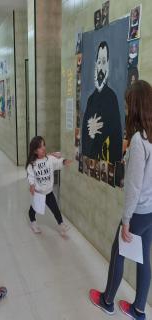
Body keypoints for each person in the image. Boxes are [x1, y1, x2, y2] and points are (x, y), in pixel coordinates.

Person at [89, 80, 152, 320]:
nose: (125, 109)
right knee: (144, 257)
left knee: (118, 253)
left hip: (137, 212)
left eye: (127, 104)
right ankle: (138, 310)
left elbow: (134, 187)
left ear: (135, 106)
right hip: (151, 212)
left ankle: (107, 301)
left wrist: (126, 220)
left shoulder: (138, 141)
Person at [81, 41, 123, 164]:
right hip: (91, 161)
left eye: (104, 62)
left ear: (108, 66)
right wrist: (91, 134)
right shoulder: (91, 99)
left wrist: (97, 130)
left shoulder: (112, 98)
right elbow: (85, 137)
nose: (101, 67)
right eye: (99, 62)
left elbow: (115, 137)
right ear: (96, 65)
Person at [26, 136, 71, 237]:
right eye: (40, 147)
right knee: (34, 209)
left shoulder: (50, 159)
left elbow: (58, 162)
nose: (43, 148)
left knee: (55, 209)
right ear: (34, 151)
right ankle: (33, 221)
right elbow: (30, 175)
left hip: (49, 192)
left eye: (44, 145)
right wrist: (32, 185)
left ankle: (61, 225)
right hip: (38, 193)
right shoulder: (32, 164)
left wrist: (64, 161)